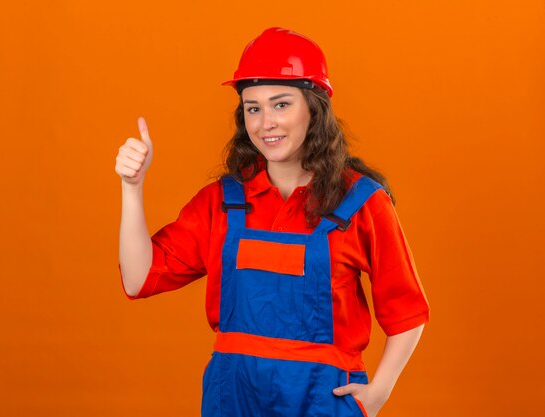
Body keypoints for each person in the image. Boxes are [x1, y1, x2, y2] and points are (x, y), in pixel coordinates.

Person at [115, 27, 429, 417]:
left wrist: (379, 390)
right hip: (233, 396)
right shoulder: (224, 202)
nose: (266, 123)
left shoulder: (362, 203)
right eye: (253, 108)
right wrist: (133, 187)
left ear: (314, 108)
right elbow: (137, 277)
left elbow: (407, 311)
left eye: (281, 104)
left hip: (322, 400)